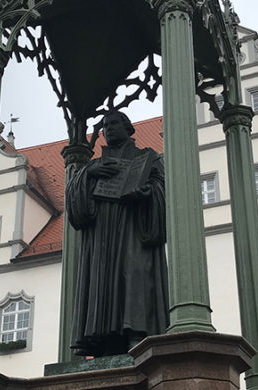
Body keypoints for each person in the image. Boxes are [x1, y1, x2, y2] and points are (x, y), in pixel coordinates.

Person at [66, 110, 169, 357]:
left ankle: (138, 333)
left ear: (128, 128)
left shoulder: (147, 157)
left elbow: (164, 190)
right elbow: (74, 205)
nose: (109, 129)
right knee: (101, 282)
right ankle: (104, 340)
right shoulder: (93, 165)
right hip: (101, 234)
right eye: (104, 126)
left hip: (133, 227)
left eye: (114, 124)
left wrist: (147, 193)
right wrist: (89, 174)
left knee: (134, 276)